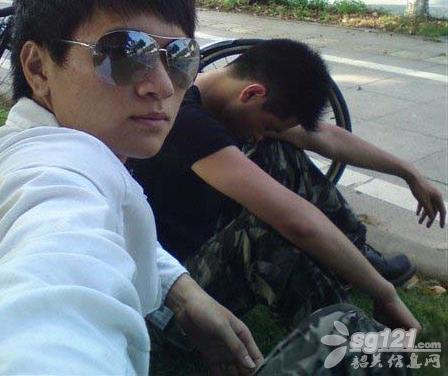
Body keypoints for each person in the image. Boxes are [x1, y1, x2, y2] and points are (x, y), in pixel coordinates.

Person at [0, 0, 263, 375]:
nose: (161, 85)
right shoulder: (53, 174)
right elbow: (54, 279)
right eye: (125, 52)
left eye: (179, 56)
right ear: (39, 68)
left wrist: (182, 290)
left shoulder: (15, 144)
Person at [131, 39, 440, 338]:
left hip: (204, 236)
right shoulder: (186, 121)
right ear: (252, 93)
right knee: (265, 237)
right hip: (170, 300)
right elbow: (298, 222)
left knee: (279, 151)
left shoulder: (226, 102)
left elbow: (325, 136)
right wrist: (385, 295)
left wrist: (408, 172)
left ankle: (350, 260)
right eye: (266, 125)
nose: (260, 135)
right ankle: (346, 348)